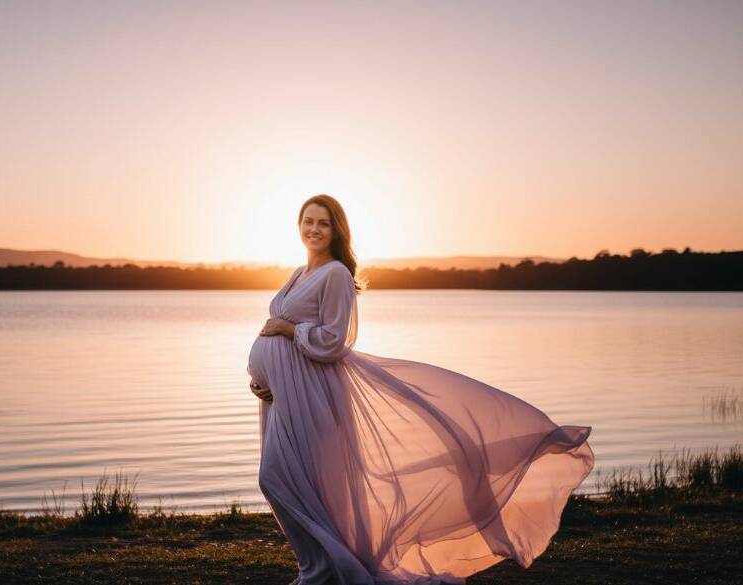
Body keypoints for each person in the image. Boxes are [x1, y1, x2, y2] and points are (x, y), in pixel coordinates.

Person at [246, 194, 594, 585]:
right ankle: (317, 566)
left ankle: (323, 568)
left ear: (336, 230)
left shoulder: (337, 275)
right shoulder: (300, 272)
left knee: (277, 477)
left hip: (313, 394)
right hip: (284, 396)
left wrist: (289, 331)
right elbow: (279, 336)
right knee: (296, 481)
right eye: (307, 221)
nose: (313, 229)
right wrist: (263, 377)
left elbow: (333, 340)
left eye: (323, 223)